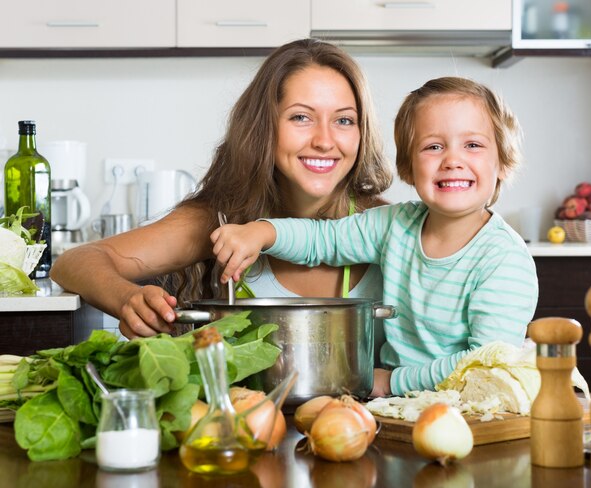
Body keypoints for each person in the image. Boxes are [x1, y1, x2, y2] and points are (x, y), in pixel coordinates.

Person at [211, 76, 539, 397]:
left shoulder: (503, 259)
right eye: (433, 146)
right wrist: (263, 232)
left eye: (473, 145)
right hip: (397, 409)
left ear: (503, 163)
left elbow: (484, 365)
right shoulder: (395, 225)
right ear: (409, 168)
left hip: (470, 412)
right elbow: (322, 240)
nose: (452, 160)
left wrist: (392, 382)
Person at [50, 38, 393, 340]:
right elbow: (73, 262)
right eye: (301, 117)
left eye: (344, 120)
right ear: (264, 128)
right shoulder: (221, 220)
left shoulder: (391, 228)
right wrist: (127, 299)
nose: (324, 140)